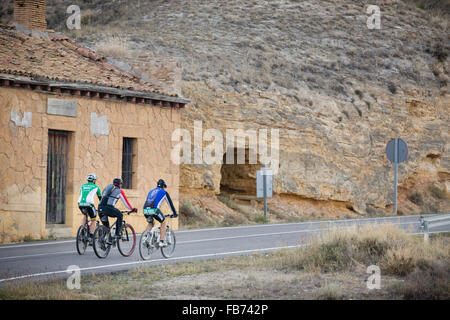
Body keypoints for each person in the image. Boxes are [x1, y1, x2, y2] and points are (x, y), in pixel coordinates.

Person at [98, 178, 137, 243]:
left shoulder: (108, 189)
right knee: (120, 215)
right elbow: (126, 202)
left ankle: (105, 240)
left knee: (106, 227)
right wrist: (132, 209)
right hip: (109, 208)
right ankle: (117, 234)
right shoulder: (119, 191)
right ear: (120, 184)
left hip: (100, 208)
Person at [143, 179, 178, 247]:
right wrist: (175, 213)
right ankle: (161, 241)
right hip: (154, 210)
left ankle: (145, 237)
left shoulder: (151, 191)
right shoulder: (164, 192)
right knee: (163, 222)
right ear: (163, 186)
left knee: (151, 223)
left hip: (145, 210)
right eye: (165, 187)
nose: (165, 188)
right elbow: (170, 204)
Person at [77, 173, 102, 243]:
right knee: (93, 220)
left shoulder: (83, 186)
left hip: (80, 204)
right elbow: (100, 198)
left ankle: (82, 231)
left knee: (85, 215)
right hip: (89, 204)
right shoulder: (96, 187)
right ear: (94, 180)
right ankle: (91, 236)